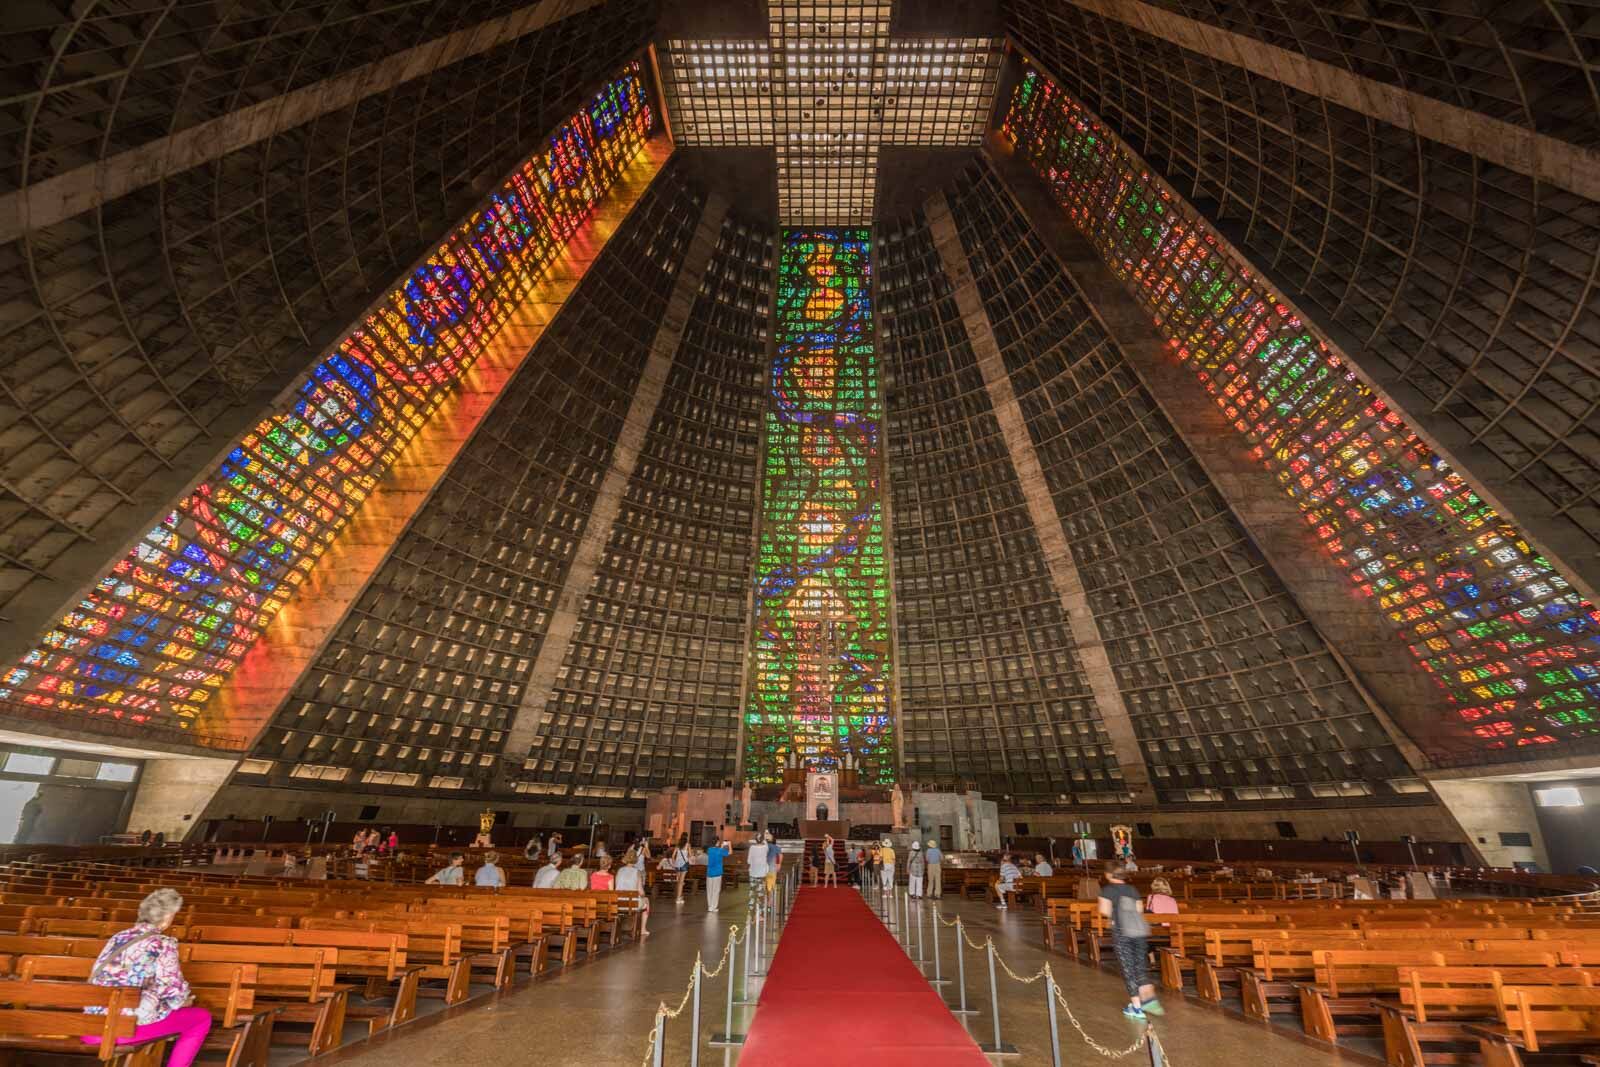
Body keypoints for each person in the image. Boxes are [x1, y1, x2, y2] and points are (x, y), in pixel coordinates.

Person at [83, 888, 213, 1067]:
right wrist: (183, 1001)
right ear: (168, 917)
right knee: (201, 1018)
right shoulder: (163, 943)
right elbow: (173, 991)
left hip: (91, 1026)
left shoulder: (118, 938)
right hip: (122, 1029)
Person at [1099, 862, 1162, 1020]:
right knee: (1139, 965)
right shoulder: (1132, 889)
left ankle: (1136, 1008)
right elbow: (1139, 910)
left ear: (1108, 875)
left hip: (1121, 932)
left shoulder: (1107, 890)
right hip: (1138, 931)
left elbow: (1104, 911)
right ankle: (1147, 998)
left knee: (1128, 968)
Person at [617, 847, 650, 938]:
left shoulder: (620, 870)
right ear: (635, 859)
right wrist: (643, 895)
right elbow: (641, 892)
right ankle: (643, 929)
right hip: (632, 903)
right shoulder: (637, 872)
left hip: (618, 902)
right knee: (647, 901)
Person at [705, 836, 730, 912]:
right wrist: (729, 844)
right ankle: (714, 906)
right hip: (717, 873)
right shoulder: (720, 850)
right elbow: (729, 852)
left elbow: (718, 851)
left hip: (709, 873)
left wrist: (721, 847)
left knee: (709, 890)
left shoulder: (709, 850)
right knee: (716, 890)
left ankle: (710, 906)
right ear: (717, 842)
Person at [746, 831, 770, 897]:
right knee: (761, 890)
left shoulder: (752, 848)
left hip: (753, 871)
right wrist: (764, 838)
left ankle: (751, 904)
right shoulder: (765, 847)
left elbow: (748, 861)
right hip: (762, 872)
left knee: (752, 889)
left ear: (755, 840)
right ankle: (760, 904)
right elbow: (766, 843)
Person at [671, 833, 690, 906]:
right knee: (681, 882)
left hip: (677, 865)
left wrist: (674, 864)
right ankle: (678, 898)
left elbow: (673, 856)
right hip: (684, 865)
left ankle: (680, 896)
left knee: (679, 881)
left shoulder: (677, 845)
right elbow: (690, 855)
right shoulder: (687, 845)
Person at [764, 831, 780, 897]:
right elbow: (779, 857)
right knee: (771, 885)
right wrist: (778, 864)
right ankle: (770, 901)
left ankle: (768, 901)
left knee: (767, 886)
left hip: (764, 869)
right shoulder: (776, 847)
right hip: (772, 869)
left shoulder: (764, 847)